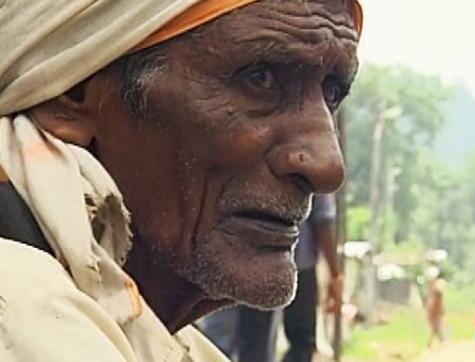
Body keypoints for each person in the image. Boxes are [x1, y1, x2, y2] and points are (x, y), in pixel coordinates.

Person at [0, 1, 362, 361]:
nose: (329, 167)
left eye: (331, 95)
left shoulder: (139, 333)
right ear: (73, 89)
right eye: (261, 79)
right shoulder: (22, 320)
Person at [202, 193, 342, 362]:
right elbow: (323, 216)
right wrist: (335, 274)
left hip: (240, 252)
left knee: (228, 341)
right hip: (277, 259)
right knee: (269, 344)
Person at [425, 268, 446, 347]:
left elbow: (438, 293)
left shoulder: (436, 283)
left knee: (436, 325)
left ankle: (439, 340)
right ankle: (440, 340)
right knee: (436, 325)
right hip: (435, 306)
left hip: (435, 305)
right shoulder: (438, 283)